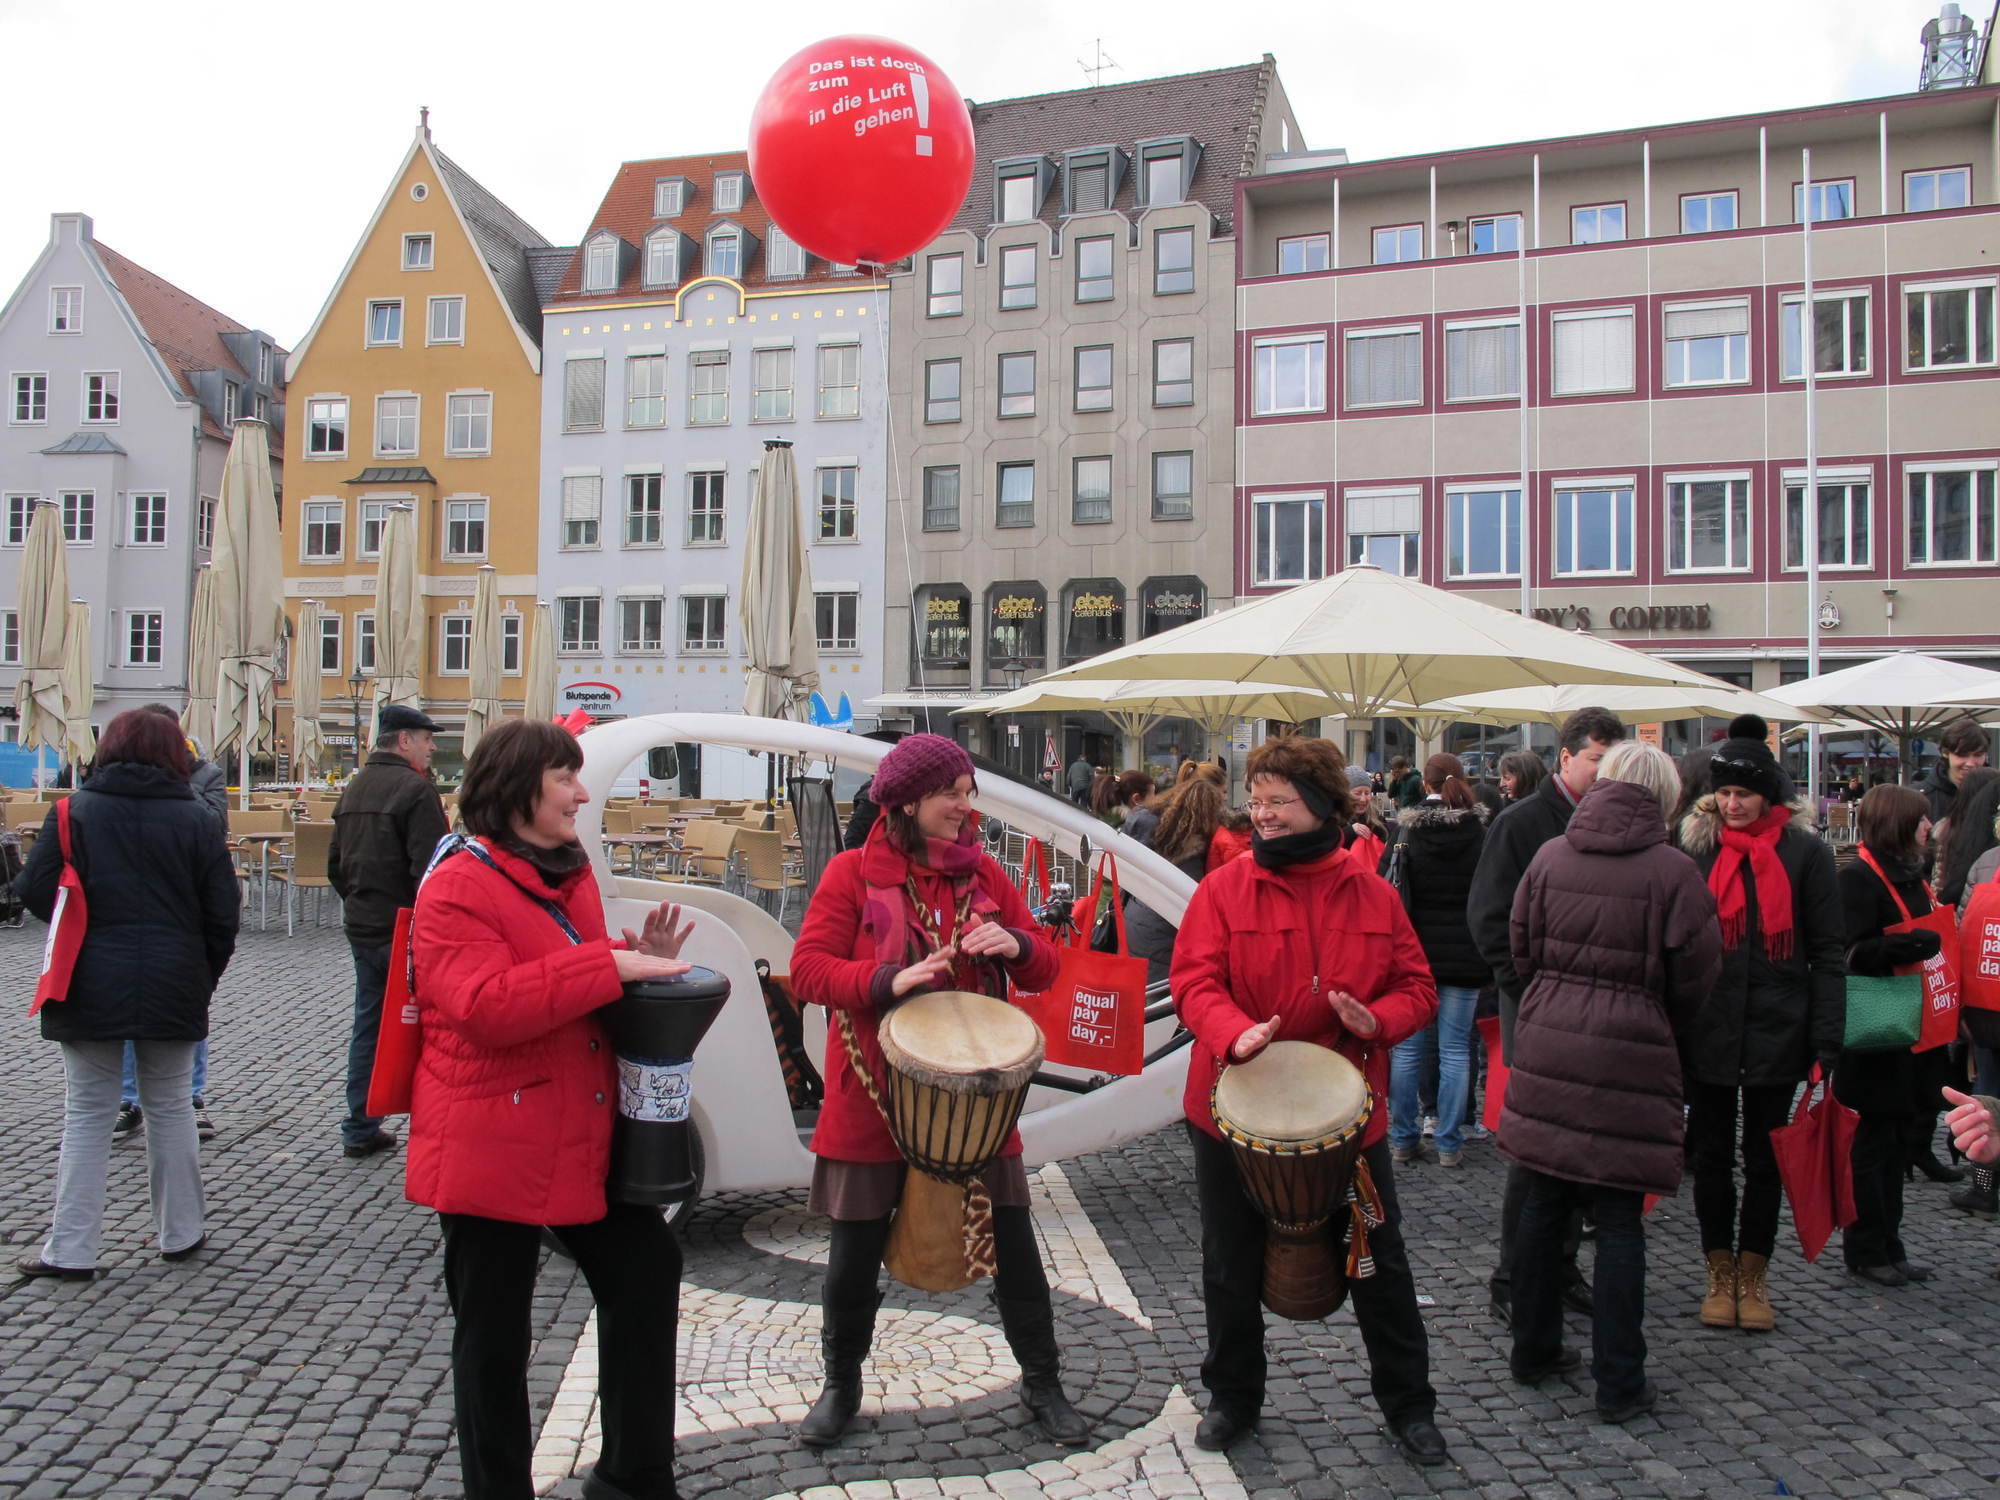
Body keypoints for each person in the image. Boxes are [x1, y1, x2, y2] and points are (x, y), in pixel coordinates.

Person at [407, 717, 692, 1500]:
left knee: (645, 1267)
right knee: (494, 1337)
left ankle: (635, 1475)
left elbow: (577, 991)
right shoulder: (458, 883)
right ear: (516, 788)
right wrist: (607, 964)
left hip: (572, 1125)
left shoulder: (569, 872)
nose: (581, 792)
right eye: (565, 777)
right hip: (488, 1137)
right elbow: (483, 1005)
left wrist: (641, 971)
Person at [787, 734, 1084, 1448]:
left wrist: (1015, 944)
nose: (964, 805)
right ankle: (841, 1384)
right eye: (952, 792)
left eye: (966, 791)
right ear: (909, 801)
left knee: (1015, 1248)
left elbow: (1045, 968)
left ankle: (1043, 1383)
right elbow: (808, 972)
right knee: (853, 1259)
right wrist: (888, 980)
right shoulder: (852, 875)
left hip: (975, 1106)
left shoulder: (983, 875)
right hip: (873, 1094)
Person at [1171, 736, 1447, 1467]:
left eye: (1277, 802)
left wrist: (1378, 1021)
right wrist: (1235, 1035)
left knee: (1378, 1263)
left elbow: (1417, 986)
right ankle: (1233, 1397)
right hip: (1232, 1109)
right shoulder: (1224, 889)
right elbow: (1194, 982)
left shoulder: (1374, 890)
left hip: (1347, 1111)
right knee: (1229, 1262)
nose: (1260, 815)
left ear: (1322, 805)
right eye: (1255, 801)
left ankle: (1409, 1406)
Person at [1504, 741, 1721, 1424]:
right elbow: (1697, 975)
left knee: (1542, 1203)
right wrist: (1654, 1018)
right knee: (1621, 1219)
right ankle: (1619, 1380)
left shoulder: (1549, 856)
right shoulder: (1674, 872)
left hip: (1548, 1040)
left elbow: (1521, 947)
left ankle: (1533, 1349)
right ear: (1665, 798)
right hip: (1632, 1048)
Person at [12, 710, 239, 1279]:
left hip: (88, 977)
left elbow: (33, 890)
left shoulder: (72, 812)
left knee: (88, 1114)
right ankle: (181, 1232)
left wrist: (80, 923)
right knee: (170, 1107)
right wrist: (200, 974)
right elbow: (223, 915)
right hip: (172, 977)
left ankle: (71, 1249)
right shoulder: (197, 820)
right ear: (175, 754)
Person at [1673, 729, 1844, 1331]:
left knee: (1768, 1158)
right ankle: (1718, 1272)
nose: (1733, 804)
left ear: (1768, 795)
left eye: (1745, 793)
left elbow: (1827, 950)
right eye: (1725, 793)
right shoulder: (1695, 851)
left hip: (1781, 1026)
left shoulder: (1805, 853)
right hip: (1710, 1029)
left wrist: (1827, 1036)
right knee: (1712, 1156)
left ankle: (1755, 1274)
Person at [1468, 706, 1626, 1327]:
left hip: (1588, 1016)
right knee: (1537, 1151)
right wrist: (1526, 989)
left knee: (1578, 1148)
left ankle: (1558, 1265)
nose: (1606, 773)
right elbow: (1489, 919)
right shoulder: (1524, 822)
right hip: (1536, 1011)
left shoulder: (1610, 824)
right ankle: (1514, 1275)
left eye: (1613, 763)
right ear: (1565, 757)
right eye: (1596, 760)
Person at [328, 704, 449, 1160]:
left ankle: (360, 1124)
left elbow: (334, 866)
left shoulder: (355, 787)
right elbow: (433, 872)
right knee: (431, 1029)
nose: (432, 746)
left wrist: (361, 903)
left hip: (364, 926)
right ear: (403, 741)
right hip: (406, 929)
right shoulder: (415, 790)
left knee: (369, 1026)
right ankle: (432, 1128)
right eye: (425, 738)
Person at [1835, 785, 1943, 1286]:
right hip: (1875, 1026)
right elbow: (1850, 953)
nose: (1928, 827)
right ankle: (1865, 1246)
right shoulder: (1859, 878)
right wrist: (1909, 946)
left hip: (1912, 1025)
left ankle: (1891, 1243)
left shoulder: (1911, 876)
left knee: (1896, 1141)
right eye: (1920, 819)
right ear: (1900, 823)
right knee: (1873, 1144)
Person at [114, 705, 229, 1143]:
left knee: (189, 1012)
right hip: (133, 908)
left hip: (185, 910)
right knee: (126, 1012)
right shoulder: (124, 777)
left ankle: (193, 1097)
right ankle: (130, 1100)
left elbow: (216, 824)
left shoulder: (206, 774)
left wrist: (180, 779)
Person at [1385, 754, 1490, 1170]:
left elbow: (1384, 886)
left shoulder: (1407, 830)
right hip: (1465, 953)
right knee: (1456, 1050)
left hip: (1414, 954)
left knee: (1408, 1051)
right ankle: (1449, 1141)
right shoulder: (1479, 832)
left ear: (1423, 782)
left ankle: (1403, 1137)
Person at [1941, 774, 2000, 1219]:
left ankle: (1984, 1186)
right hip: (1986, 1011)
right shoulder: (1986, 862)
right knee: (1985, 1099)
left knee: (1985, 1098)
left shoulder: (1985, 862)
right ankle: (1983, 1183)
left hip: (1985, 1007)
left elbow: (1961, 932)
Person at [1127, 764, 1229, 985]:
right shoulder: (1193, 854)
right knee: (1162, 1003)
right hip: (1165, 934)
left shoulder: (1152, 833)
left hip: (1137, 923)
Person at [1918, 716, 1990, 826]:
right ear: (1945, 753)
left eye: (1978, 755)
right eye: (1962, 754)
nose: (1970, 763)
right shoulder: (1919, 798)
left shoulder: (1994, 793)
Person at [1347, 774, 1391, 875]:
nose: (1363, 799)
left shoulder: (1377, 820)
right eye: (1357, 793)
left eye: (1367, 793)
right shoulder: (1334, 818)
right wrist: (1350, 831)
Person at [1111, 771, 1161, 846]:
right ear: (1137, 799)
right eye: (1153, 794)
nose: (1156, 799)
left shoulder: (1114, 821)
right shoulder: (1145, 819)